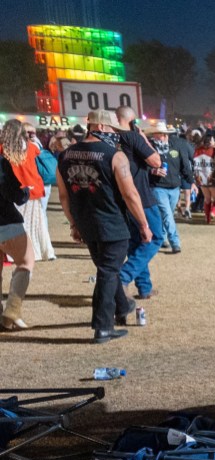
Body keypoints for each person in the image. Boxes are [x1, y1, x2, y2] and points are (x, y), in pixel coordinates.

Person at [56, 110, 152, 343]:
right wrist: (143, 224)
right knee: (108, 272)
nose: (114, 134)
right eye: (111, 129)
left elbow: (63, 196)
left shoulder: (66, 155)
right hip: (112, 222)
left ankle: (123, 306)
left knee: (107, 269)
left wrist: (74, 224)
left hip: (86, 223)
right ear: (100, 127)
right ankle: (103, 327)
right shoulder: (115, 156)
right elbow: (130, 194)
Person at [115, 106, 165, 300]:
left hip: (121, 198)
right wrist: (144, 139)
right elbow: (156, 161)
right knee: (155, 238)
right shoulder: (132, 137)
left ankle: (144, 287)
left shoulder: (111, 139)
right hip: (141, 197)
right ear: (131, 120)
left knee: (136, 242)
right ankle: (123, 276)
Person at [0, 120, 55, 262]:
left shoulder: (2, 148)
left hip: (16, 190)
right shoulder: (32, 147)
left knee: (19, 225)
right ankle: (42, 252)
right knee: (37, 225)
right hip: (33, 188)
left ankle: (17, 253)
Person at [145, 120, 192, 253]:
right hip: (158, 186)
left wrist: (191, 182)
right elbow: (142, 166)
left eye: (157, 134)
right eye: (154, 134)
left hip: (174, 187)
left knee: (168, 214)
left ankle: (162, 238)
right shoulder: (149, 148)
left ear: (164, 134)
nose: (155, 136)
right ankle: (175, 242)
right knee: (167, 214)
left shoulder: (177, 145)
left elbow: (184, 165)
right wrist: (152, 171)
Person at [0, 145, 33, 330]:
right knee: (26, 262)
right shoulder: (2, 163)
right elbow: (14, 194)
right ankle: (12, 310)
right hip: (6, 221)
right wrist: (25, 190)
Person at [193, 133, 215, 224]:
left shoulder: (197, 150)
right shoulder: (214, 150)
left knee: (207, 198)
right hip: (212, 178)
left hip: (201, 178)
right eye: (213, 140)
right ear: (211, 141)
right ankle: (213, 212)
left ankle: (207, 218)